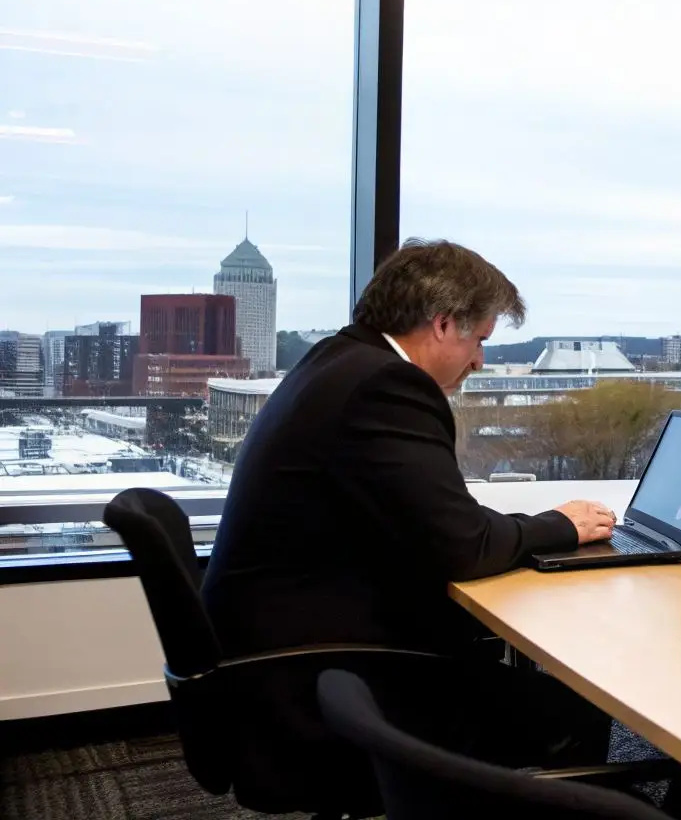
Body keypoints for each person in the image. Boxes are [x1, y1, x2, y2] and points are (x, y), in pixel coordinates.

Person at [201, 239, 623, 807]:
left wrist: (499, 526)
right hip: (318, 681)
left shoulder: (338, 360)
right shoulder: (387, 386)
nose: (480, 361)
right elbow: (462, 547)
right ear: (444, 324)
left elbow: (428, 517)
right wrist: (561, 525)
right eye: (479, 341)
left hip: (278, 653)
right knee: (573, 711)